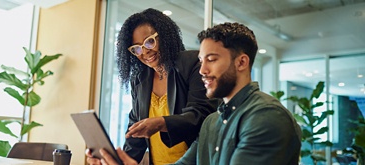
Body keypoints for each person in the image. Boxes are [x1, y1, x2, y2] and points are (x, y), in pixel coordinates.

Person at [87, 22, 302, 165]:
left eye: (212, 59)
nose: (202, 71)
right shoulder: (212, 122)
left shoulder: (266, 117)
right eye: (201, 61)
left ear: (242, 62)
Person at [86, 8, 217, 165]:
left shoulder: (193, 64)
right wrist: (114, 160)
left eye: (149, 41)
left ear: (164, 36)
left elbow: (200, 115)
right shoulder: (140, 80)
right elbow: (136, 134)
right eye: (136, 48)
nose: (145, 52)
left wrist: (161, 123)